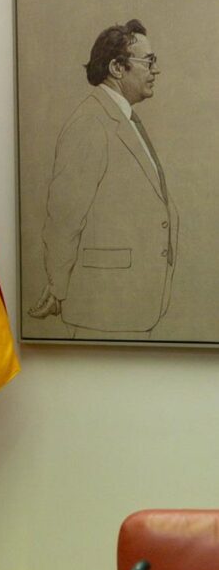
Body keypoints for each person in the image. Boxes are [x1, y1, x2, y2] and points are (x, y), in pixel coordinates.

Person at [29, 19, 178, 337]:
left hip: (129, 304)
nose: (155, 70)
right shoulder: (91, 123)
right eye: (148, 61)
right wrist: (58, 286)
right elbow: (64, 217)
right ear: (117, 68)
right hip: (103, 309)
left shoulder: (122, 118)